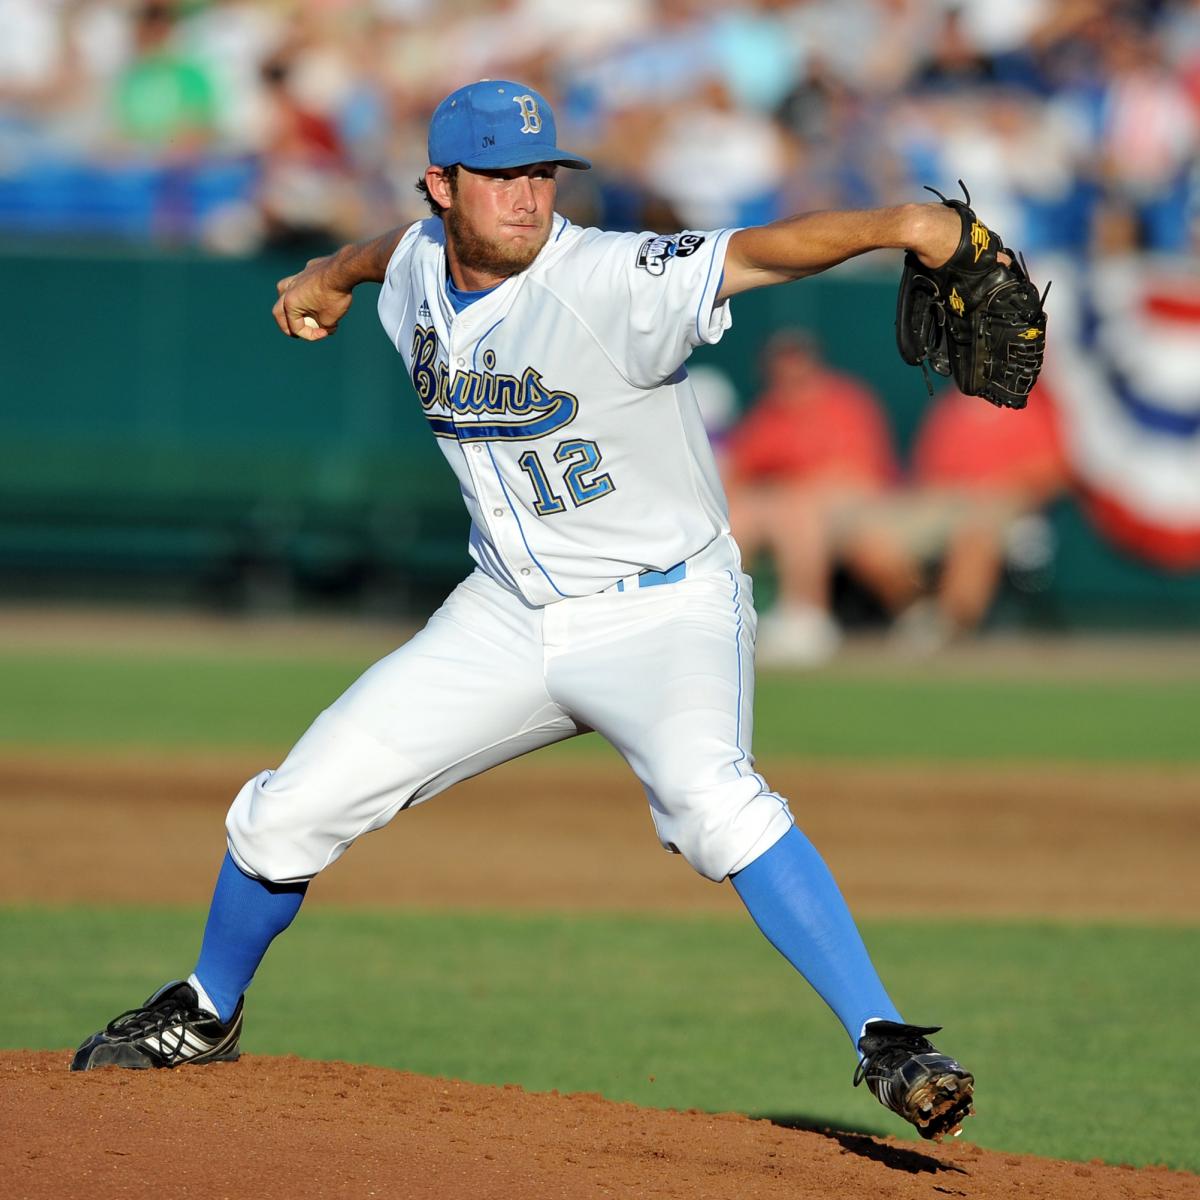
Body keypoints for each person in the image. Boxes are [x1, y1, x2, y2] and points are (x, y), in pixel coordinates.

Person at [71, 80, 975, 1141]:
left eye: (541, 173)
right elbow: (385, 255)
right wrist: (324, 275)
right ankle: (210, 1006)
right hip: (503, 611)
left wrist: (905, 226)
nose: (528, 196)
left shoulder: (605, 276)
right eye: (499, 176)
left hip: (663, 611)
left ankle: (885, 1038)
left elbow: (764, 250)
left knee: (712, 801)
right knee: (288, 807)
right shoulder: (416, 261)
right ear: (442, 186)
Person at [723, 330, 919, 667]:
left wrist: (794, 492)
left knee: (799, 507)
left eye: (797, 364)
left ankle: (806, 617)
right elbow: (737, 479)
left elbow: (859, 475)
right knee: (745, 513)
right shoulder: (768, 414)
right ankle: (723, 614)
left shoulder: (846, 402)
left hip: (861, 507)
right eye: (781, 367)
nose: (790, 375)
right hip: (787, 511)